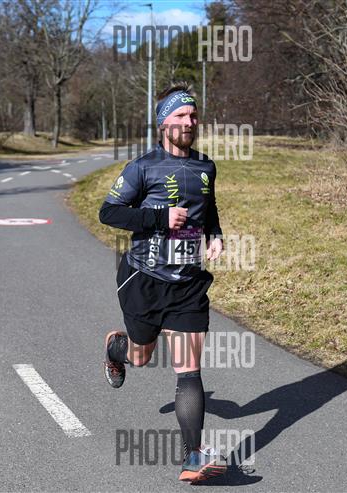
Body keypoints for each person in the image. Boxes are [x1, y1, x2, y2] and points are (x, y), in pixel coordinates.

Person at [98, 82, 226, 483]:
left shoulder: (205, 167)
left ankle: (193, 458)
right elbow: (108, 212)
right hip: (144, 279)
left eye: (193, 115)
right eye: (180, 115)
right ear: (163, 123)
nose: (189, 122)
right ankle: (116, 347)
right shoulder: (142, 168)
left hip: (187, 285)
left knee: (189, 371)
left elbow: (208, 207)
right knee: (141, 357)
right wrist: (158, 218)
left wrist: (215, 235)